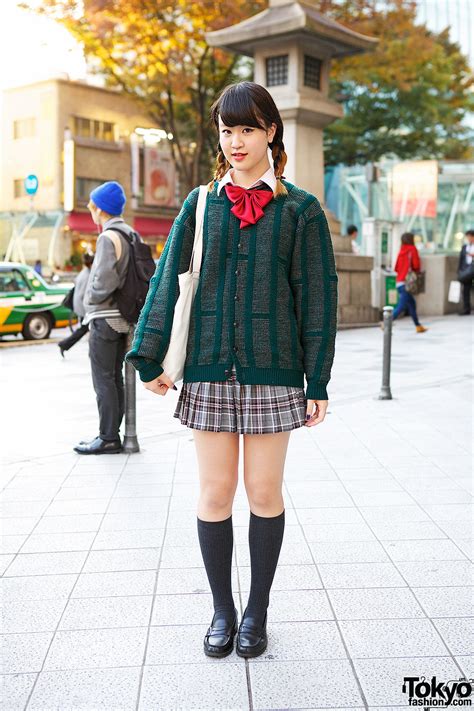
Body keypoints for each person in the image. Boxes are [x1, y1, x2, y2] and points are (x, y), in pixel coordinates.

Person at [126, 81, 338, 660]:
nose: (235, 141)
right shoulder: (200, 204)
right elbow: (168, 279)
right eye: (226, 129)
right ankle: (222, 608)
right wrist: (149, 354)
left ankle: (258, 611)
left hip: (274, 371)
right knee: (215, 493)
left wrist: (316, 379)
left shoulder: (301, 209)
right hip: (211, 369)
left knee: (263, 491)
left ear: (271, 132)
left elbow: (317, 296)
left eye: (247, 128)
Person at [74, 181, 133, 455]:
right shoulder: (130, 233)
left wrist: (90, 298)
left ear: (99, 209)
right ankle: (112, 434)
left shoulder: (107, 237)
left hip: (105, 317)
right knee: (115, 378)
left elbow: (105, 280)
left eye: (91, 206)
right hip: (122, 317)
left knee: (103, 379)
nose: (89, 210)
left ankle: (108, 437)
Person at [58, 252, 94, 357]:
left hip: (79, 306)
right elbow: (84, 294)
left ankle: (65, 345)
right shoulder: (87, 275)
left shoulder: (84, 272)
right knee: (85, 329)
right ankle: (64, 345)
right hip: (84, 308)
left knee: (85, 329)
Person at [391, 232, 427, 333]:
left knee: (412, 304)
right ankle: (387, 322)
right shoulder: (412, 249)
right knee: (401, 306)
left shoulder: (401, 250)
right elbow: (416, 266)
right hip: (407, 283)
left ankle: (418, 326)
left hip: (399, 282)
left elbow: (396, 268)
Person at [458, 228, 474, 315]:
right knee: (466, 290)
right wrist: (460, 271)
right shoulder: (465, 247)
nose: (469, 238)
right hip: (466, 271)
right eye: (468, 237)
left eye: (470, 237)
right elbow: (461, 259)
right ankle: (466, 309)